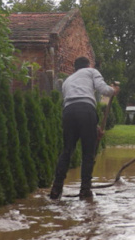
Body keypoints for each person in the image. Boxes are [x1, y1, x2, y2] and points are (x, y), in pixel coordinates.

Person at [49, 56, 119, 200]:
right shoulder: (91, 72)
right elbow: (104, 90)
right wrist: (114, 90)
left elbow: (76, 103)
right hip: (86, 111)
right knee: (88, 153)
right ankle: (84, 190)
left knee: (67, 150)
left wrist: (95, 127)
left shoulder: (68, 80)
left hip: (68, 112)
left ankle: (56, 189)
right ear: (88, 65)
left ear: (75, 68)